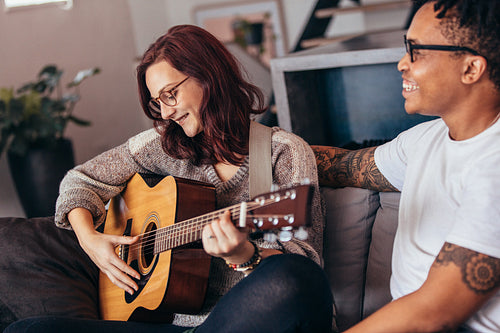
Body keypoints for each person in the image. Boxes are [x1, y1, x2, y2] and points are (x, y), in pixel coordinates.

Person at [5, 25, 333, 333]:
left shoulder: (283, 152)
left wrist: (243, 254)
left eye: (170, 94)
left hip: (246, 318)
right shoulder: (162, 146)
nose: (165, 113)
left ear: (209, 77)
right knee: (27, 330)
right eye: (157, 102)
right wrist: (91, 241)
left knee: (290, 280)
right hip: (173, 324)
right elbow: (79, 179)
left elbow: (304, 267)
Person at [313, 0, 500, 332]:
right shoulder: (426, 138)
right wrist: (256, 148)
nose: (402, 64)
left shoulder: (493, 164)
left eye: (417, 51)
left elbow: (433, 314)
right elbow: (345, 165)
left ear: (471, 69)